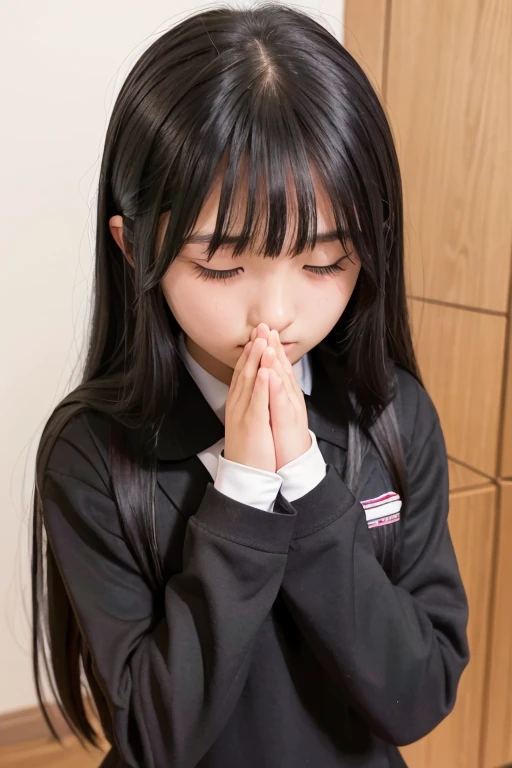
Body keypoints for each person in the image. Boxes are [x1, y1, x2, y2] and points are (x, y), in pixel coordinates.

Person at [31, 4, 470, 767]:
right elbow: (154, 738)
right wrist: (239, 497)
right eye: (222, 266)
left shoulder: (391, 412)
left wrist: (306, 483)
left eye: (326, 262)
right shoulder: (91, 453)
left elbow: (419, 693)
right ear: (135, 248)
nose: (275, 313)